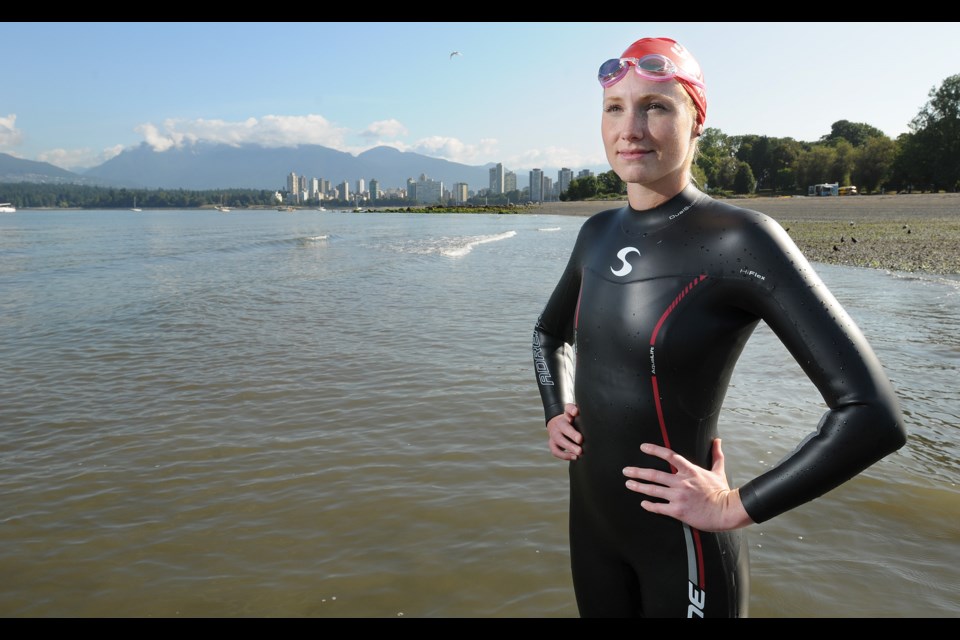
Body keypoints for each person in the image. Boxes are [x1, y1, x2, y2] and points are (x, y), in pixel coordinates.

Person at [531, 36, 907, 618]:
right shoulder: (596, 233)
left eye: (656, 106)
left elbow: (872, 415)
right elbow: (549, 335)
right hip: (592, 534)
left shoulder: (739, 240)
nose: (631, 127)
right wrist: (555, 409)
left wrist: (735, 506)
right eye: (615, 107)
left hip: (685, 550)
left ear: (696, 122)